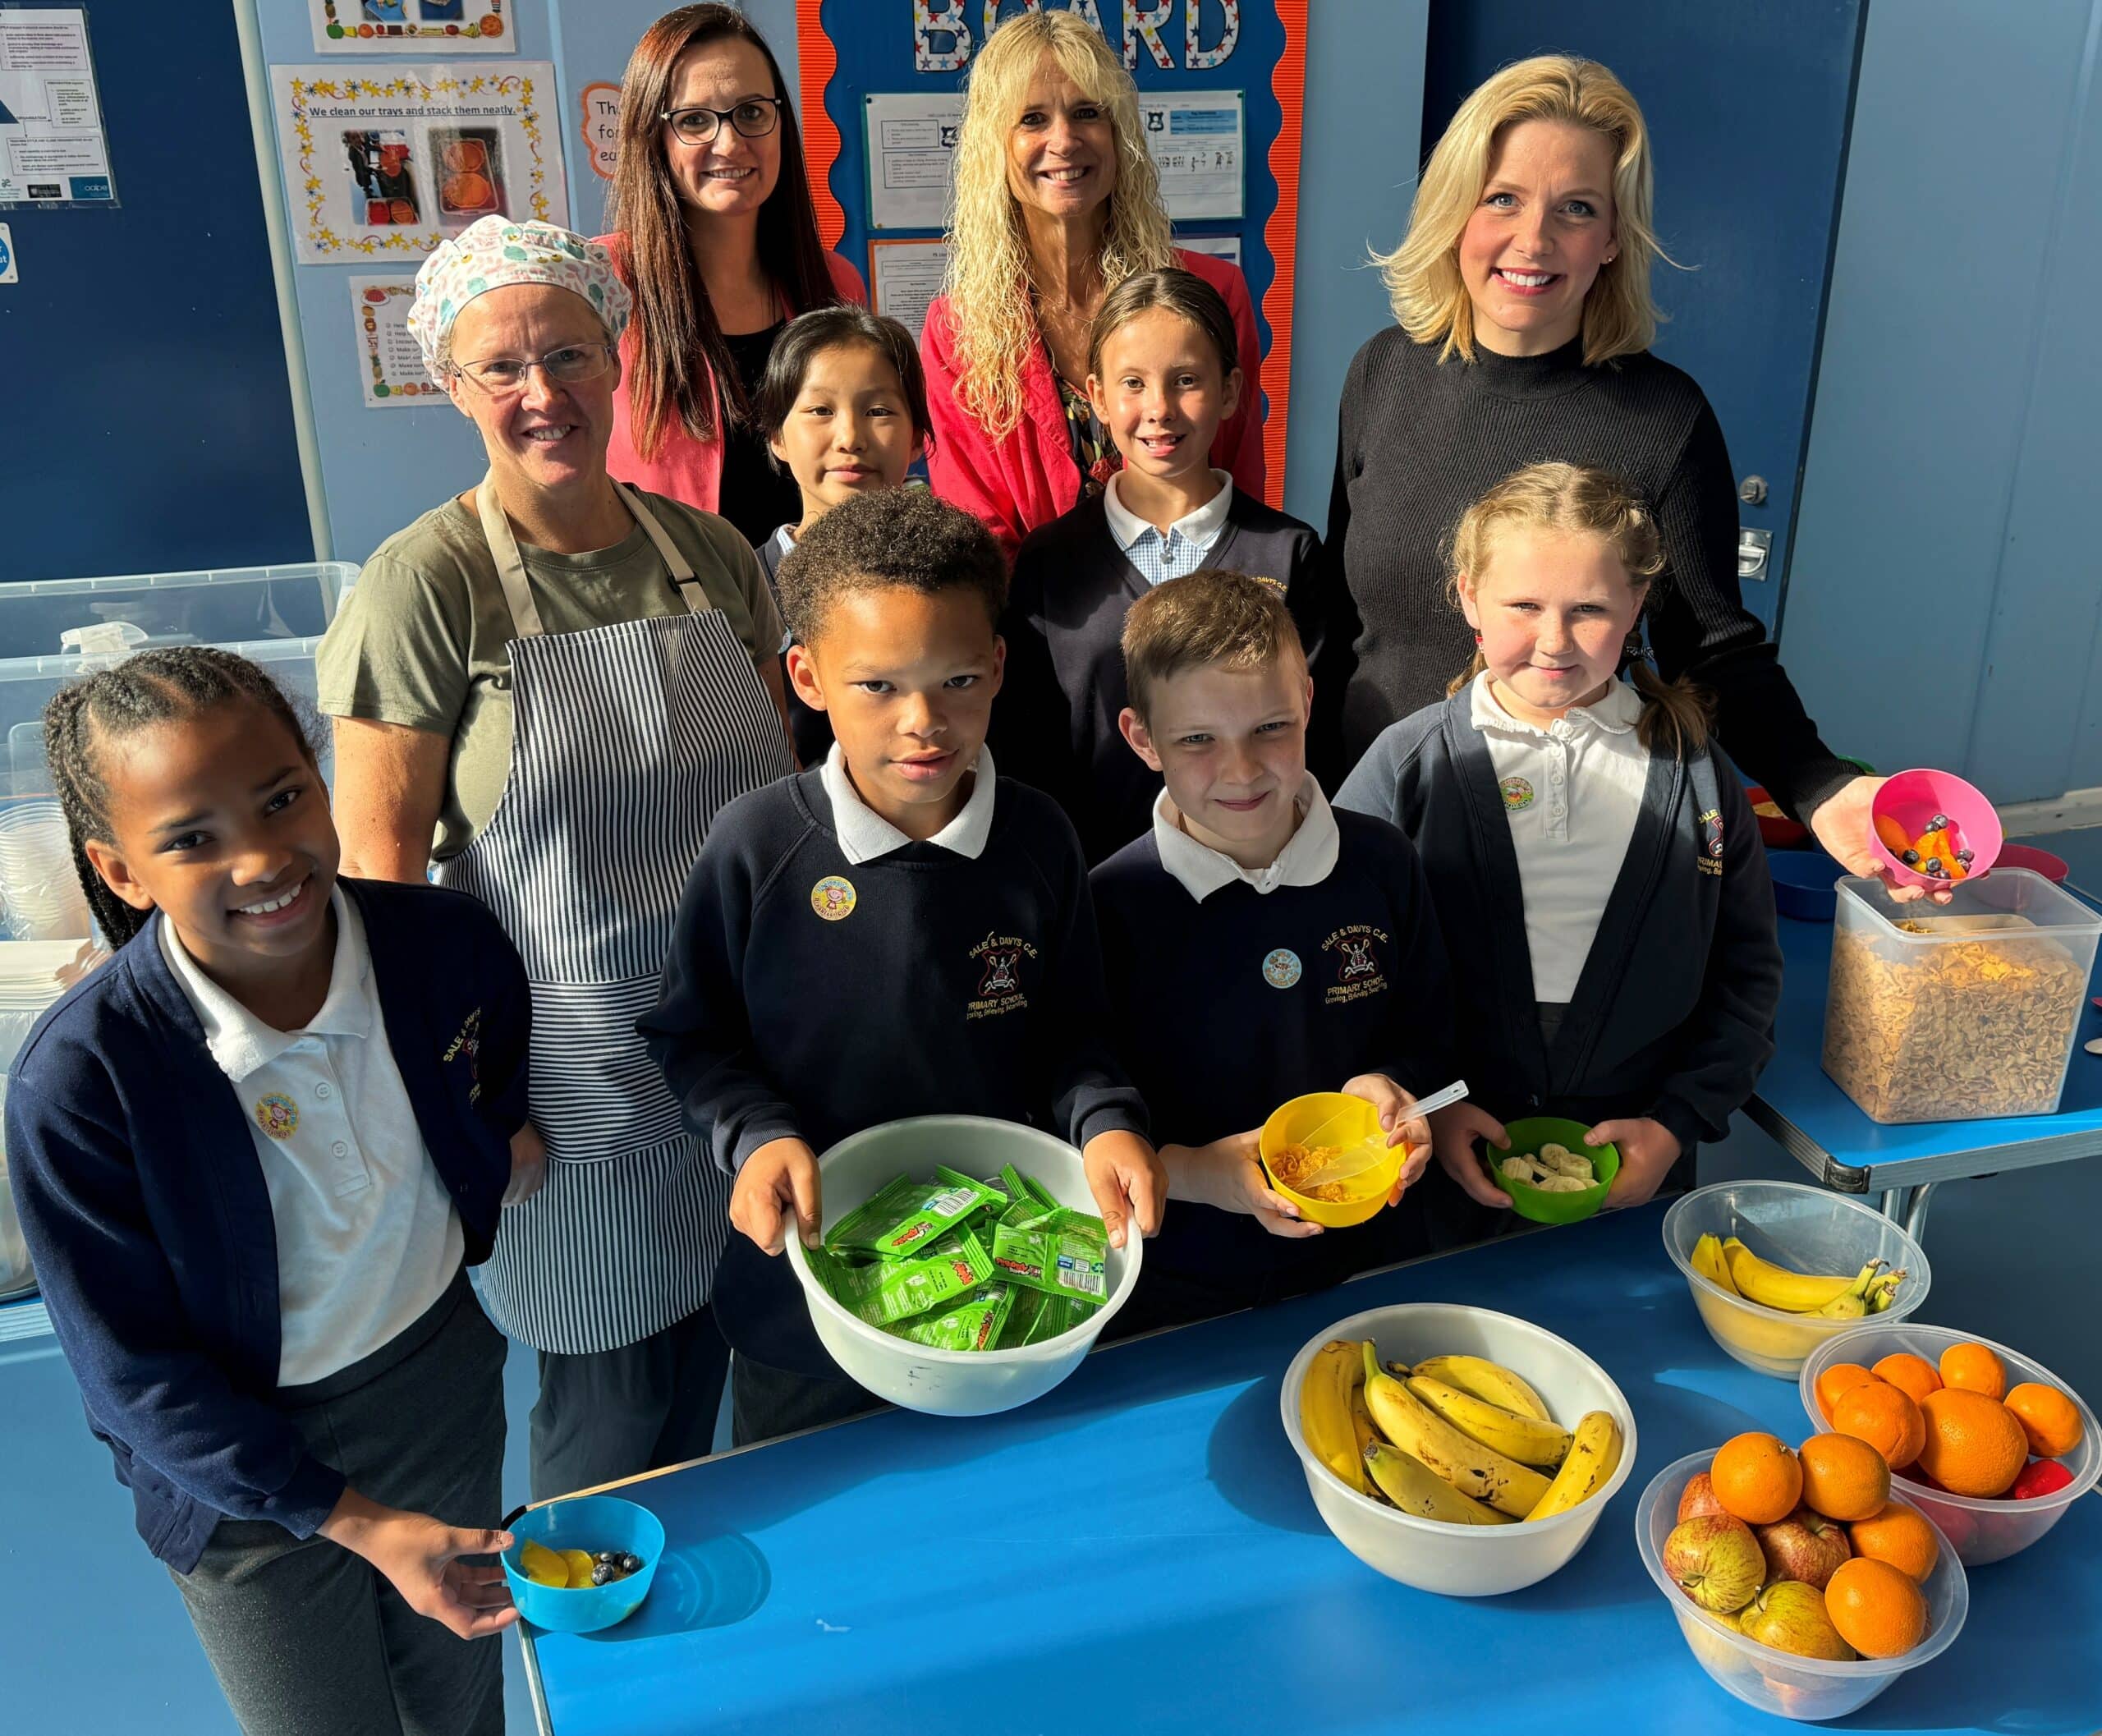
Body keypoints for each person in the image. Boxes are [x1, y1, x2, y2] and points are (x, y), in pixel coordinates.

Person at [317, 216, 792, 1502]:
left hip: (743, 1057)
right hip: (565, 1090)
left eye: (570, 354)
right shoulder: (426, 586)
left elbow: (781, 809)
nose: (544, 393)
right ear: (452, 385)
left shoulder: (709, 553)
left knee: (739, 1369)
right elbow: (380, 892)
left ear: (616, 355)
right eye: (503, 367)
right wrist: (471, 1105)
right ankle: (584, 1614)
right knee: (611, 1413)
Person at [7, 650, 532, 1736]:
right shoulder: (81, 1082)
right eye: (191, 838)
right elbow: (133, 1374)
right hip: (235, 1477)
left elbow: (490, 1080)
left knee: (463, 1699)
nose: (260, 857)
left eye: (283, 796)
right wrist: (353, 1519)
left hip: (437, 1389)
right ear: (120, 871)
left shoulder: (446, 946)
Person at [640, 488, 1163, 1445]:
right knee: (812, 1501)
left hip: (997, 1297)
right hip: (804, 1300)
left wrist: (1105, 1123)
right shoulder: (755, 844)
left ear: (998, 665)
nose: (923, 721)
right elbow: (693, 1036)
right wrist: (755, 1135)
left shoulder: (1040, 837)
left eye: (957, 679)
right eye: (877, 685)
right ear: (807, 677)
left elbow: (1076, 1032)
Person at [1324, 54, 1901, 892]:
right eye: (1502, 198)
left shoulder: (1664, 419)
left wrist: (1820, 787)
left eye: (1576, 209)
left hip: (1555, 852)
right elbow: (1337, 621)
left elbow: (1713, 650)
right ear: (1454, 212)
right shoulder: (1381, 372)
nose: (1534, 240)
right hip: (1371, 827)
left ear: (1612, 240)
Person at [1337, 464, 1783, 1233]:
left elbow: (1746, 973)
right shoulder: (1407, 765)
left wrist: (1675, 1122)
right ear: (1468, 597)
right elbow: (1342, 960)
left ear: (1636, 605)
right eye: (1524, 605)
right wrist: (1423, 1102)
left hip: (1638, 1164)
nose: (1554, 640)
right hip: (1436, 1166)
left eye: (1589, 610)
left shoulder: (1696, 774)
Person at [1090, 572, 1457, 1335]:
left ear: (1309, 704)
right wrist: (1194, 1171)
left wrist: (1397, 1086)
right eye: (1197, 739)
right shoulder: (1109, 904)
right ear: (1142, 739)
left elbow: (1435, 1030)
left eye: (1270, 727)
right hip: (1180, 1285)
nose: (1242, 769)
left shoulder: (1385, 863)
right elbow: (1089, 1093)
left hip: (1374, 1260)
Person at [999, 268, 1328, 862]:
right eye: (1133, 383)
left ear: (1230, 391)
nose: (1159, 409)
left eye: (1186, 381)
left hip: (1255, 876)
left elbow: (1318, 738)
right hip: (1093, 880)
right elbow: (1026, 749)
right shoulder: (1050, 561)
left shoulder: (1288, 552)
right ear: (1098, 396)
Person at [921, 10, 1264, 558]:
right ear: (994, 146)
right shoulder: (957, 330)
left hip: (1194, 604)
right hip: (1030, 607)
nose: (1063, 140)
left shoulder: (1212, 291)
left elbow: (1240, 499)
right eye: (1032, 119)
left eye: (1086, 113)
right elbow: (975, 535)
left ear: (1119, 135)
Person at [600, 3, 865, 542]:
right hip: (665, 593)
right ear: (653, 136)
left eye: (751, 112)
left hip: (818, 587)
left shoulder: (835, 283)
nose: (729, 142)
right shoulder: (602, 285)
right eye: (694, 120)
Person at [753, 305, 934, 765]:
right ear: (777, 436)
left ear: (917, 437)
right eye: (820, 410)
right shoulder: (742, 589)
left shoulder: (947, 580)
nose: (850, 438)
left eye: (879, 411)